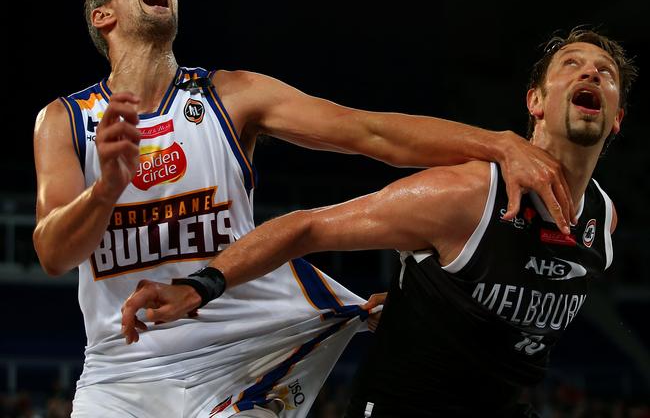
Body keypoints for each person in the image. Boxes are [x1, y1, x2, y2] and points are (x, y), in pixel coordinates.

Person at [32, 0, 573, 418]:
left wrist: (499, 143)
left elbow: (369, 134)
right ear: (104, 17)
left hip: (239, 350)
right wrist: (106, 189)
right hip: (120, 371)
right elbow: (54, 253)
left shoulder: (231, 95)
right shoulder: (65, 120)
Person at [121, 27, 637, 417]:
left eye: (605, 73)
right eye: (571, 65)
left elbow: (520, 308)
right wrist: (199, 285)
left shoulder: (604, 221)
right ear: (536, 102)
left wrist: (435, 309)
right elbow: (309, 226)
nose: (591, 74)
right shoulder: (465, 195)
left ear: (617, 118)